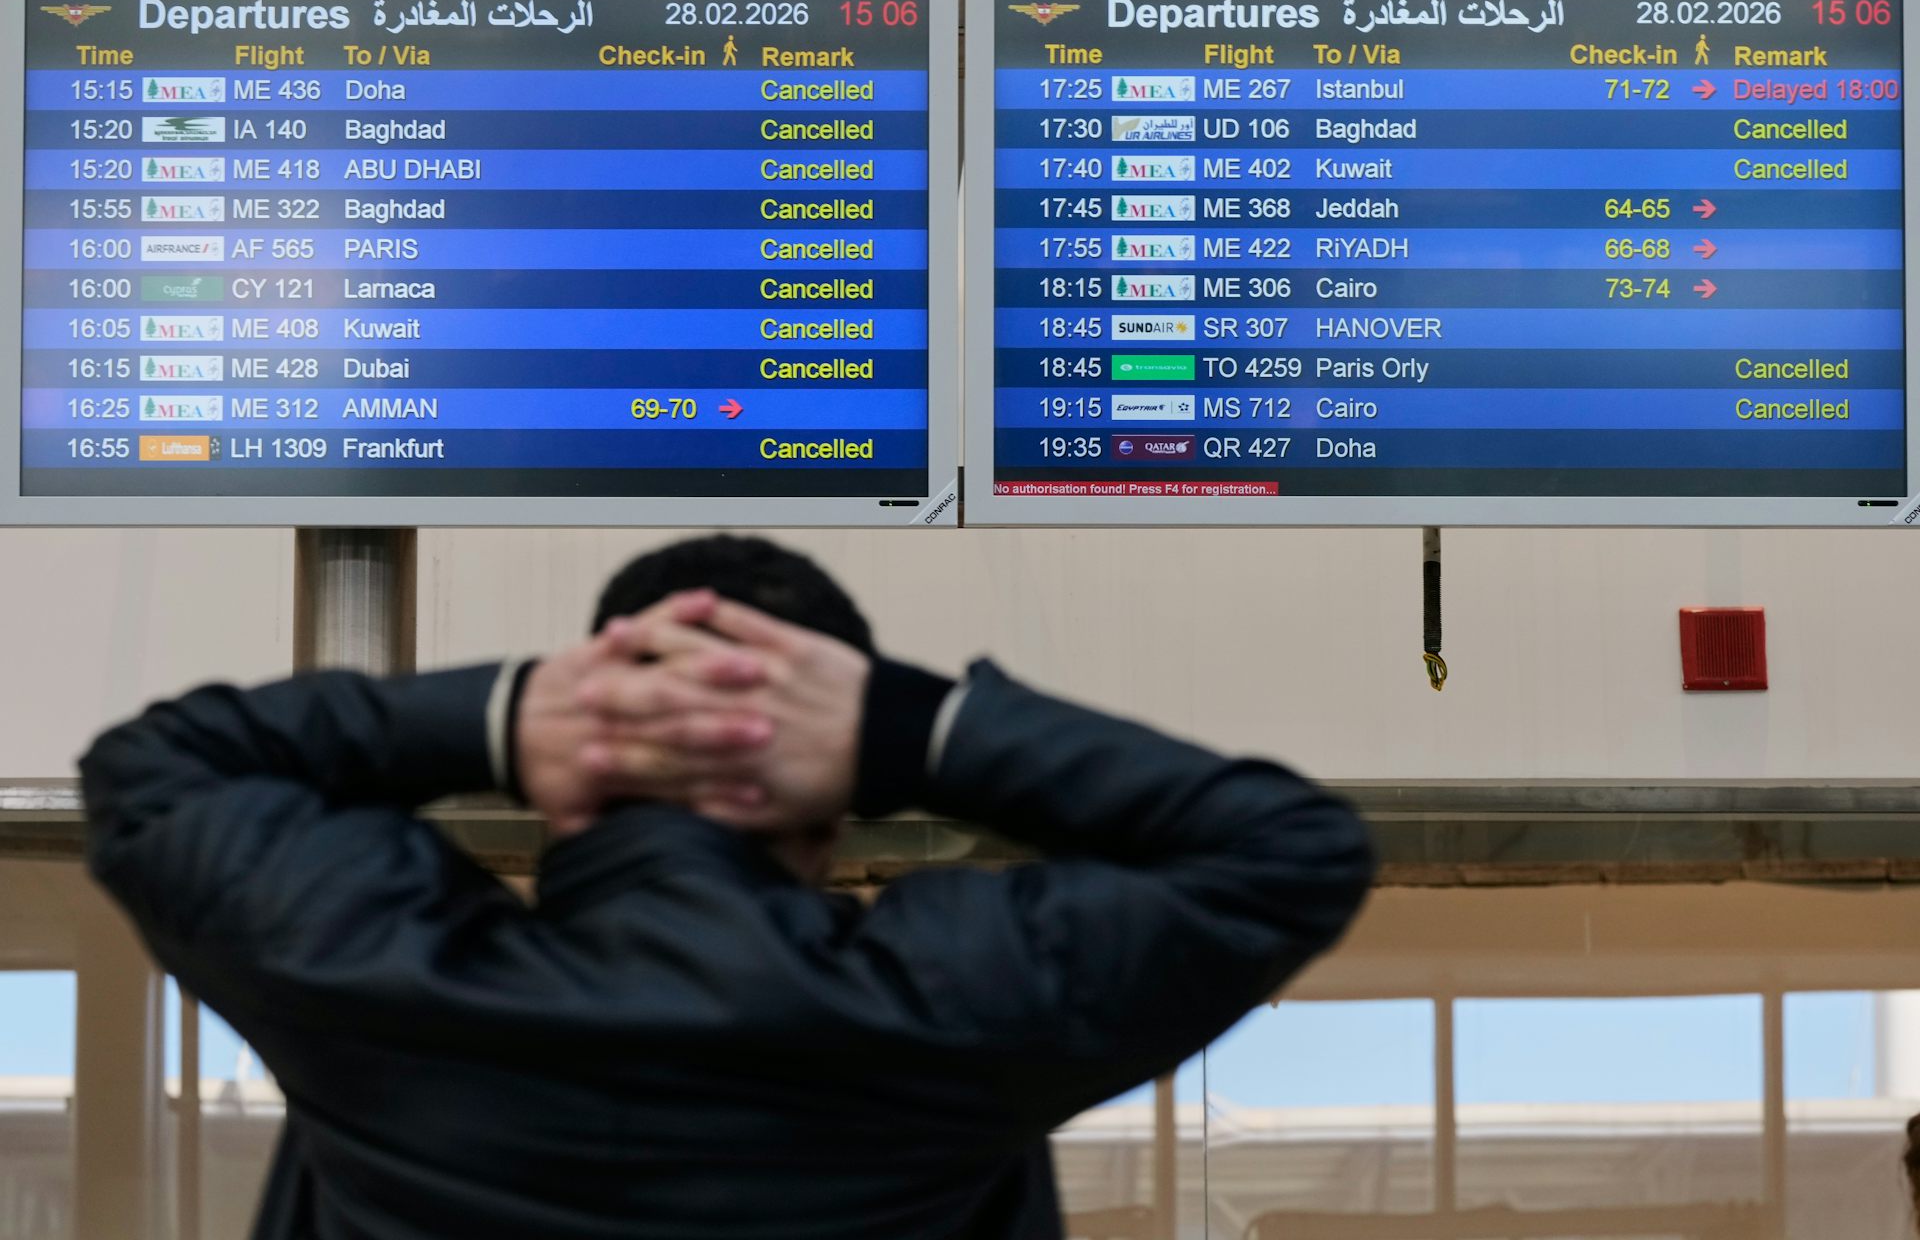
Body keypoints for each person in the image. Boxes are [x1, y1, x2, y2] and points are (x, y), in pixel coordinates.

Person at [80, 534, 1374, 1239]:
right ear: (838, 791)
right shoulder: (954, 1005)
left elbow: (153, 774)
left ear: (566, 760)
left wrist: (499, 710)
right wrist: (916, 729)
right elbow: (1285, 851)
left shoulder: (372, 977)